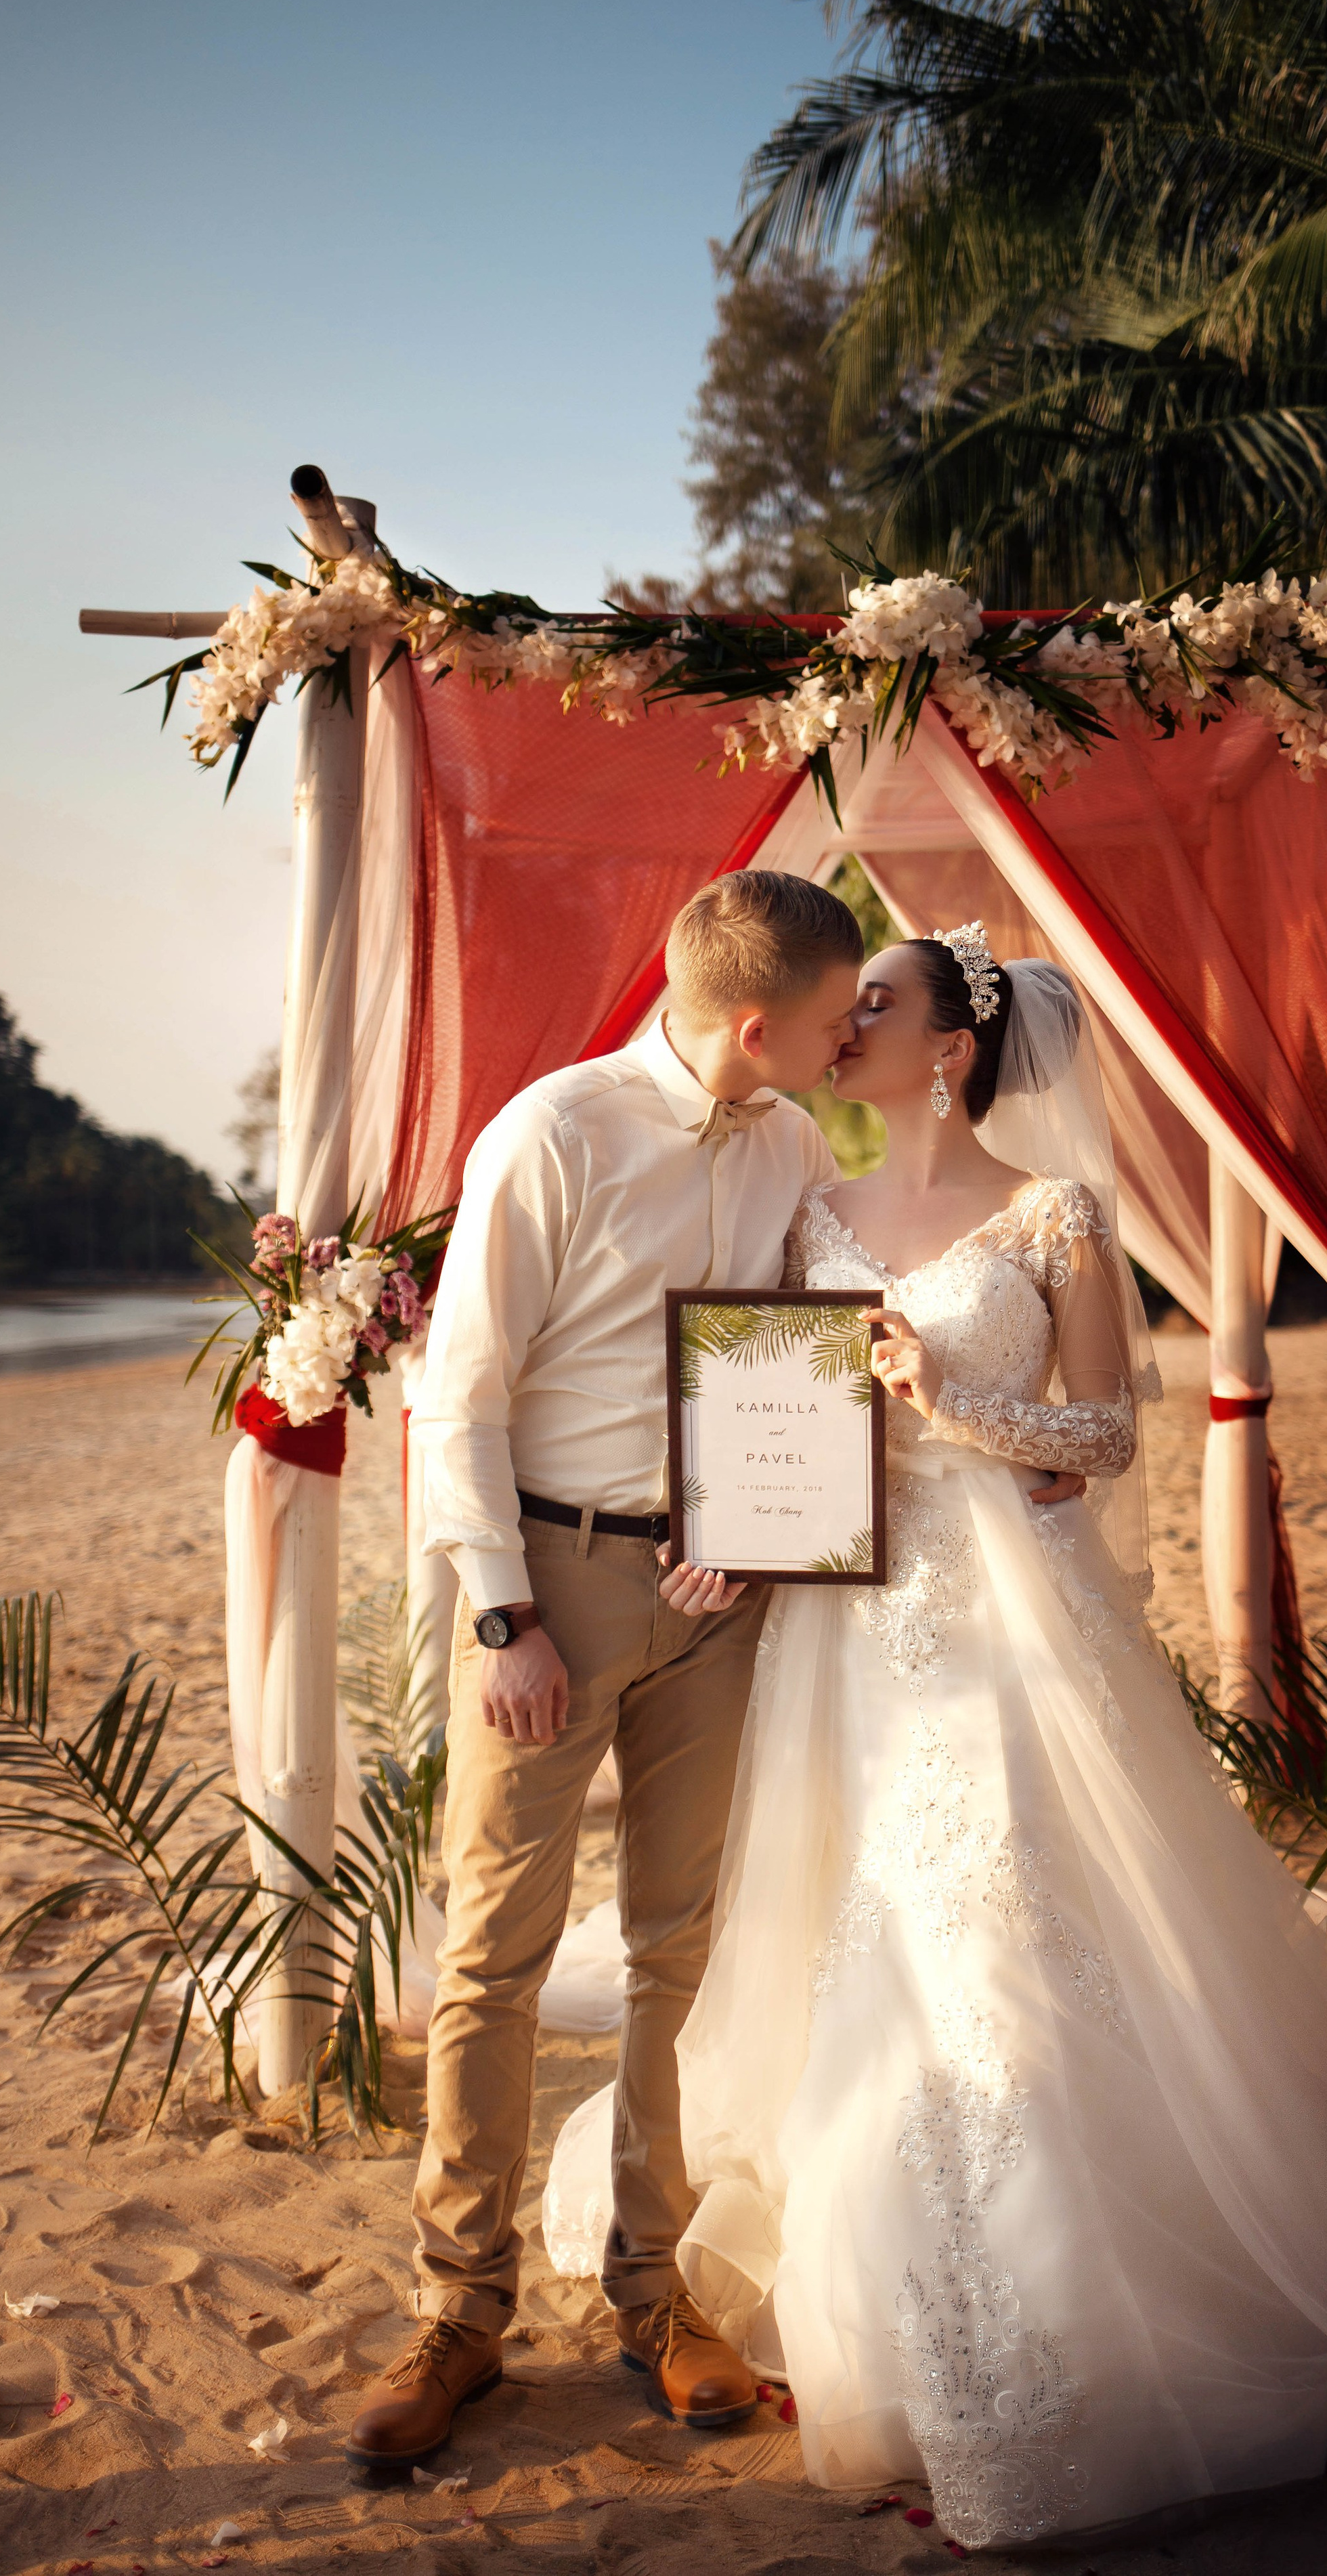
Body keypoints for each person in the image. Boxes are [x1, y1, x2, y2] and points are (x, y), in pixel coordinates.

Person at [657, 925, 1327, 2547]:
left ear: (951, 1047)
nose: (850, 1022)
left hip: (1011, 1627)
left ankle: (1084, 2336)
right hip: (853, 1638)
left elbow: (1099, 1433)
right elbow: (774, 1420)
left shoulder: (1054, 1212)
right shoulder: (808, 1208)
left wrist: (942, 1401)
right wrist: (730, 1523)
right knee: (874, 1950)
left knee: (1011, 1945)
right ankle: (913, 2339)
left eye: (876, 1002)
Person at [341, 871, 867, 2466]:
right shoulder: (549, 1136)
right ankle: (458, 2311)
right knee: (494, 1956)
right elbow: (462, 1395)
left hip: (716, 1596)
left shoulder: (785, 1142)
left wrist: (756, 1526)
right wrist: (501, 1616)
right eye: (840, 1020)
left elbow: (778, 1361)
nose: (851, 1046)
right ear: (756, 1022)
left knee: (675, 1946)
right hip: (547, 1583)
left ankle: (653, 2294)